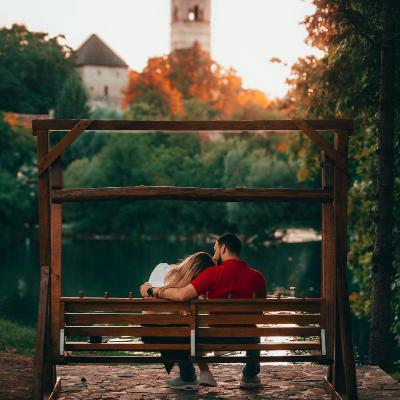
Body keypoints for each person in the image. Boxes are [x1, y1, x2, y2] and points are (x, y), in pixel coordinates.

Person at [140, 233, 267, 389]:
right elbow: (260, 312)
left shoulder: (212, 274)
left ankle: (189, 376)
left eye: (215, 250)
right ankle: (250, 376)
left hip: (215, 337)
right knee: (255, 333)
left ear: (223, 248)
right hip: (247, 337)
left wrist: (153, 290)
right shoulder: (258, 277)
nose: (213, 256)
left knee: (187, 330)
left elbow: (182, 295)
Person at [144, 252, 218, 387]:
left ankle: (192, 375)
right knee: (190, 331)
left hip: (148, 333)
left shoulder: (161, 268)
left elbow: (145, 294)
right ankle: (194, 374)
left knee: (183, 330)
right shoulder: (189, 290)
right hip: (174, 335)